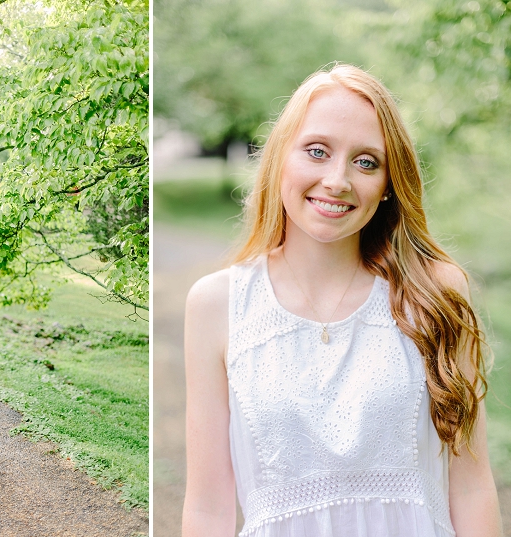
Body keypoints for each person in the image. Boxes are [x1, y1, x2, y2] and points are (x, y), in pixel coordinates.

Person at [182, 64, 502, 536]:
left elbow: (471, 486)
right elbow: (208, 507)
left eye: (366, 161)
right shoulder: (217, 304)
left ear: (390, 183)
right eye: (317, 151)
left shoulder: (436, 293)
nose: (338, 180)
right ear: (279, 159)